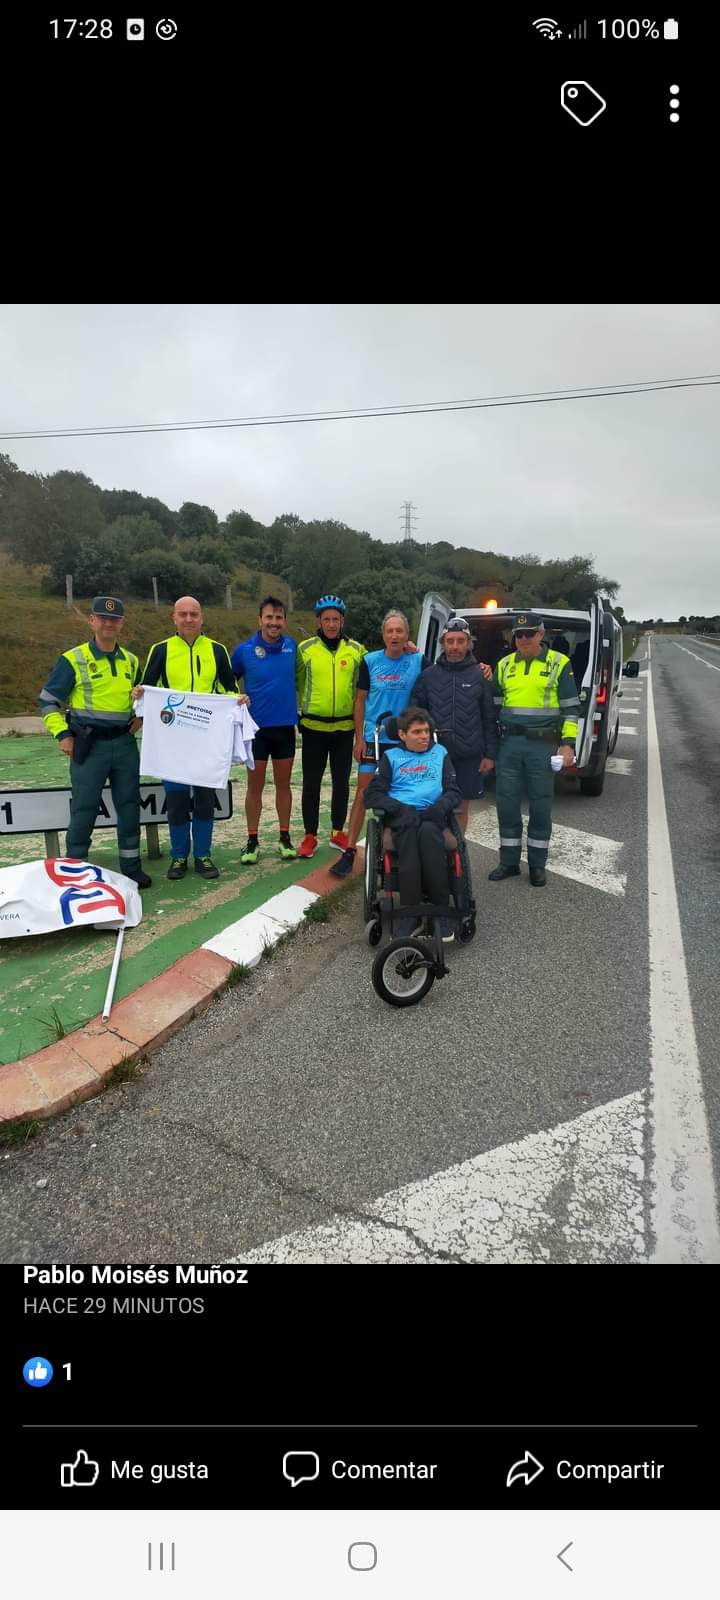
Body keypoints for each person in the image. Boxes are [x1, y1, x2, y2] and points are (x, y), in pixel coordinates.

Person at [38, 595, 151, 887]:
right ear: (92, 621)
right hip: (89, 746)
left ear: (121, 624)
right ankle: (75, 870)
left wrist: (141, 715)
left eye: (114, 619)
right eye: (102, 618)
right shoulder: (73, 659)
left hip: (124, 745)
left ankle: (131, 866)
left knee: (128, 805)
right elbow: (48, 702)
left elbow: (141, 698)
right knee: (85, 808)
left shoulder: (131, 660)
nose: (108, 623)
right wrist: (62, 734)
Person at [136, 595, 244, 881]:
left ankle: (203, 855)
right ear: (174, 618)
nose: (188, 619)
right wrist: (139, 694)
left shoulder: (218, 651)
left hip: (207, 740)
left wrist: (238, 700)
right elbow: (148, 688)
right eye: (182, 614)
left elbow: (229, 689)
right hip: (173, 743)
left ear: (202, 617)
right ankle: (179, 856)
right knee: (177, 801)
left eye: (193, 614)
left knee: (206, 799)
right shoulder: (160, 650)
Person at [330, 609, 428, 879]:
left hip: (404, 740)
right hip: (374, 738)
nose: (395, 635)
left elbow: (439, 682)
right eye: (390, 631)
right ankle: (349, 851)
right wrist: (359, 738)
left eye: (400, 631)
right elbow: (360, 700)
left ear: (407, 634)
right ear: (383, 635)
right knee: (363, 793)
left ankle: (400, 846)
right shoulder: (369, 661)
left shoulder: (418, 660)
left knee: (404, 792)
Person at [488, 612, 580, 887]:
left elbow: (571, 710)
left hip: (542, 745)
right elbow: (492, 708)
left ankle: (538, 865)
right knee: (506, 804)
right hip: (509, 744)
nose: (524, 639)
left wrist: (567, 745)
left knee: (540, 805)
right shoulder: (504, 665)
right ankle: (509, 862)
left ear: (541, 634)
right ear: (513, 637)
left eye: (529, 634)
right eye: (519, 635)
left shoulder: (559, 663)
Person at [364, 705, 461, 940]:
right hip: (403, 818)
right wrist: (399, 809)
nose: (424, 736)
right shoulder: (392, 757)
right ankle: (409, 912)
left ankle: (439, 910)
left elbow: (453, 791)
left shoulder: (440, 753)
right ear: (402, 735)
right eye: (417, 732)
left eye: (426, 731)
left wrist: (439, 808)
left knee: (428, 834)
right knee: (408, 838)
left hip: (433, 817)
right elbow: (372, 795)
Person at [295, 596, 366, 858]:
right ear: (319, 621)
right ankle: (310, 835)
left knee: (341, 782)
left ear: (343, 621)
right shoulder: (305, 649)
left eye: (336, 619)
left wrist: (408, 647)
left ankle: (337, 831)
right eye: (327, 619)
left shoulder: (357, 650)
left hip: (344, 729)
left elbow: (373, 674)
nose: (332, 624)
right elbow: (295, 681)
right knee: (311, 783)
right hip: (313, 727)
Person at [412, 615, 496, 831]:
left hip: (469, 756)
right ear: (443, 644)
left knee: (460, 808)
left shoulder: (481, 675)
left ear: (468, 643)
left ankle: (457, 852)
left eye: (460, 641)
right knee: (432, 806)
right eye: (450, 641)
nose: (455, 646)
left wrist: (489, 755)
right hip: (434, 755)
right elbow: (415, 715)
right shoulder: (428, 676)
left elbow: (489, 717)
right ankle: (435, 852)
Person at [231, 596, 298, 863]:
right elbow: (227, 683)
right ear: (259, 620)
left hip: (284, 729)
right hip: (255, 731)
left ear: (284, 621)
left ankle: (284, 836)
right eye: (269, 617)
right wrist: (237, 699)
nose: (274, 622)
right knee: (254, 787)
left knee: (284, 785)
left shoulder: (292, 647)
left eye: (278, 618)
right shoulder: (244, 651)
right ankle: (252, 840)